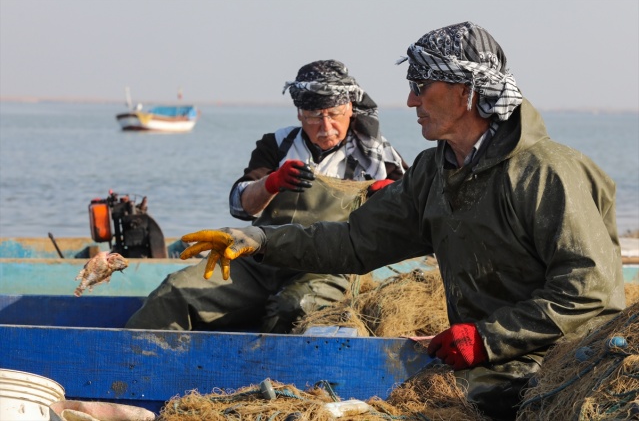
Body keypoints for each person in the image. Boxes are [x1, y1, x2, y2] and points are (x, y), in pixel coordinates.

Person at [177, 22, 626, 420]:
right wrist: (256, 238)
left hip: (560, 358)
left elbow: (590, 289)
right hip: (486, 357)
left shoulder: (547, 171)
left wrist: (487, 339)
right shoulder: (435, 170)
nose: (410, 99)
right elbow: (354, 242)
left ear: (467, 89)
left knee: (416, 406)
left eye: (420, 84)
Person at [126, 59, 408, 333]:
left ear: (350, 109)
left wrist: (389, 197)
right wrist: (271, 183)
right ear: (299, 113)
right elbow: (240, 207)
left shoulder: (378, 158)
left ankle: (265, 374)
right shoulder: (277, 145)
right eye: (313, 117)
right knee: (174, 291)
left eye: (334, 115)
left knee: (292, 306)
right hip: (261, 258)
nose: (325, 127)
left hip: (329, 266)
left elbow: (411, 213)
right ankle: (127, 366)